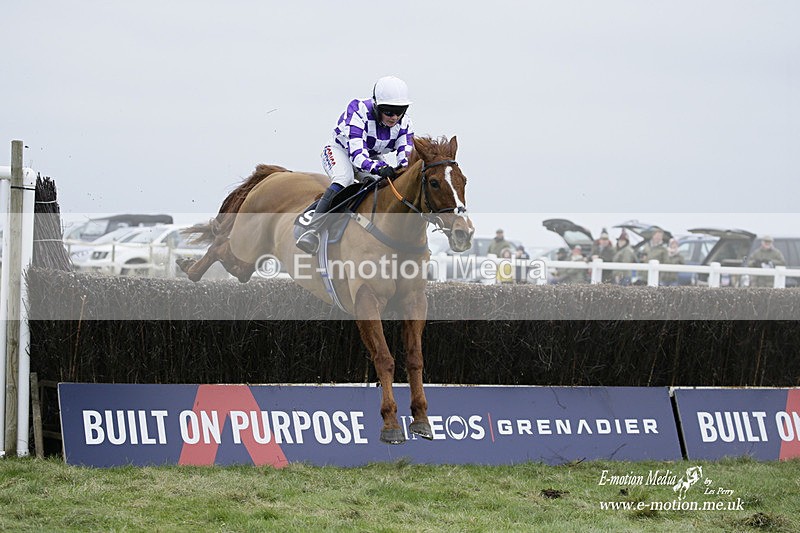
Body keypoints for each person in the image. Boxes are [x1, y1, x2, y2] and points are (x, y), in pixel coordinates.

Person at [296, 75, 415, 254]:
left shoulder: (405, 124)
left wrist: (402, 171)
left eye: (400, 111)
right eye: (389, 112)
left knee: (385, 185)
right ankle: (312, 229)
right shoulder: (358, 110)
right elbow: (357, 155)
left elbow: (405, 156)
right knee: (345, 179)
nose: (394, 117)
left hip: (372, 156)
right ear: (376, 106)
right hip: (341, 151)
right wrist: (379, 168)